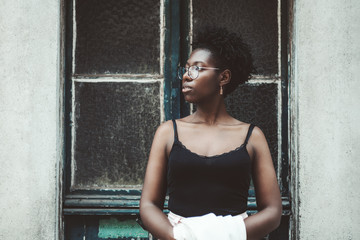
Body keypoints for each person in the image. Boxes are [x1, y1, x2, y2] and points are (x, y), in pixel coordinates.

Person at [140, 27, 282, 240]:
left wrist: (227, 235)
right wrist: (178, 236)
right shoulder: (168, 133)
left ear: (223, 77)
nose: (187, 76)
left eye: (197, 69)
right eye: (186, 69)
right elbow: (149, 205)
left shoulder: (252, 136)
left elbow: (272, 212)